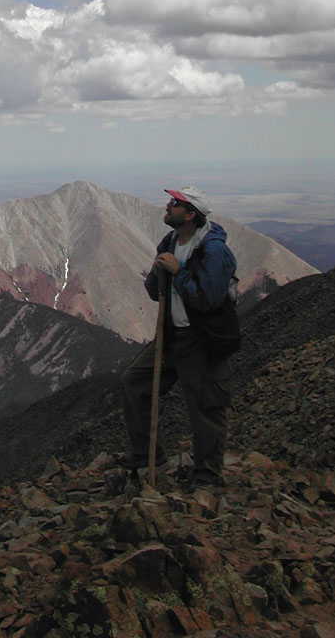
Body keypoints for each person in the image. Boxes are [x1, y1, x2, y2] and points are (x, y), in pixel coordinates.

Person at [120, 186, 238, 489]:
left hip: (202, 339)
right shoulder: (170, 241)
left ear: (190, 215)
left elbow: (208, 299)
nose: (168, 205)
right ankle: (148, 453)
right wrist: (161, 272)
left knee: (205, 408)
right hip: (172, 336)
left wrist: (178, 271)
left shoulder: (213, 251)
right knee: (135, 382)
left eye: (175, 203)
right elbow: (153, 290)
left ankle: (208, 476)